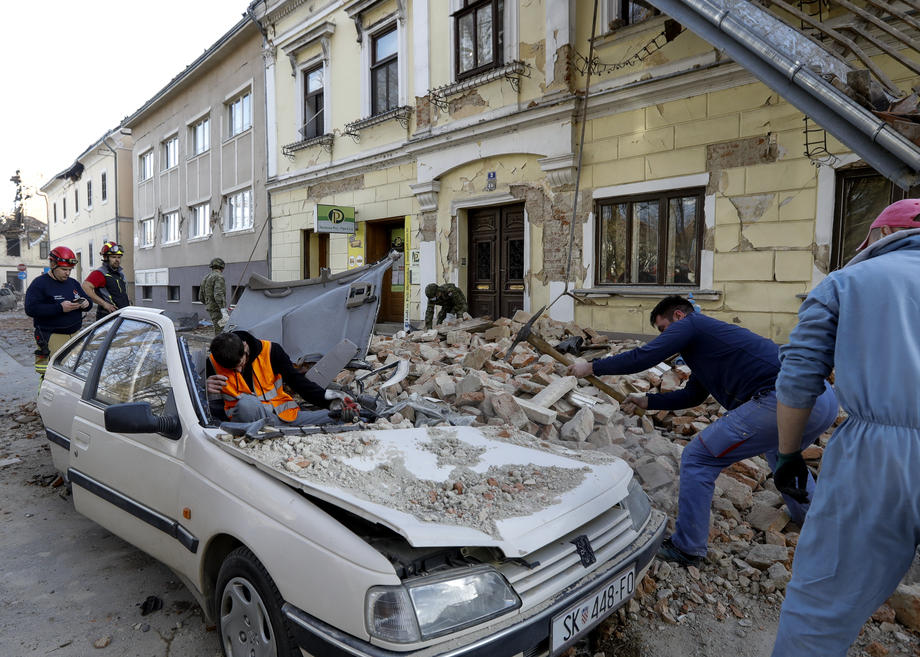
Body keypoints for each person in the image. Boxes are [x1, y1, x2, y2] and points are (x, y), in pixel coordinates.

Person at [567, 295, 838, 566]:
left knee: (698, 458)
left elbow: (646, 355)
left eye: (663, 329)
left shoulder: (692, 325)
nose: (664, 337)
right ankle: (814, 524)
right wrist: (648, 401)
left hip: (783, 397)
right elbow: (693, 396)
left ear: (678, 316)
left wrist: (591, 366)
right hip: (820, 399)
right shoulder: (705, 347)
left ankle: (687, 548)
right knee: (782, 456)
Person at [771, 198, 920, 656]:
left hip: (879, 456)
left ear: (878, 236)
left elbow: (798, 381)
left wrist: (789, 454)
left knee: (822, 604)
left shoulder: (849, 282)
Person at [205, 330, 350, 426]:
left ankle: (358, 416)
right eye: (232, 369)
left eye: (240, 364)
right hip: (245, 421)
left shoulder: (271, 351)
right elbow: (215, 410)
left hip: (282, 417)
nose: (238, 370)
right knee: (247, 404)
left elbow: (297, 381)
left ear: (245, 347)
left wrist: (326, 399)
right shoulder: (213, 362)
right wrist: (208, 393)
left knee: (335, 417)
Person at [25, 246, 92, 377]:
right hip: (52, 336)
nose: (67, 273)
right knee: (52, 376)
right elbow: (30, 309)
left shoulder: (73, 283)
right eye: (63, 269)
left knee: (73, 374)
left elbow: (88, 301)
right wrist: (60, 308)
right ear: (52, 264)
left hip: (75, 335)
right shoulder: (39, 284)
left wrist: (86, 303)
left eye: (70, 270)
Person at [82, 241, 131, 320]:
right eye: (113, 257)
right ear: (105, 257)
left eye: (119, 257)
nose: (117, 260)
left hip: (122, 315)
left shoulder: (120, 273)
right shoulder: (100, 273)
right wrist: (104, 304)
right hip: (107, 316)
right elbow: (85, 287)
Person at [199, 258, 227, 335]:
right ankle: (219, 346)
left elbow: (201, 297)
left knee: (218, 329)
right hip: (217, 309)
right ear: (222, 267)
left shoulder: (206, 277)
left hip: (211, 309)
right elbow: (218, 294)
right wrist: (223, 311)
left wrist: (209, 304)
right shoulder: (219, 277)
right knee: (221, 332)